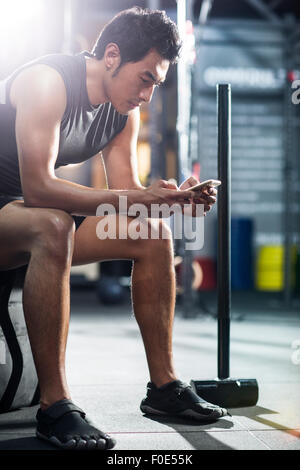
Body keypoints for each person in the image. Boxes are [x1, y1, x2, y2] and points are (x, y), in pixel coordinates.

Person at [0, 7, 226, 450]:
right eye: (145, 79)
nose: (147, 95)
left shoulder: (123, 112)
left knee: (153, 234)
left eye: (156, 85)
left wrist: (168, 200)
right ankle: (55, 405)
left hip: (28, 216)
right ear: (112, 55)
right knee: (53, 224)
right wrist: (139, 200)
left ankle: (163, 388)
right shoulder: (47, 81)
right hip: (14, 210)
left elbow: (124, 194)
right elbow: (39, 186)